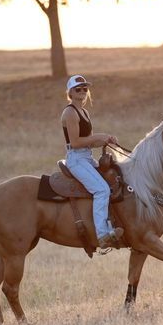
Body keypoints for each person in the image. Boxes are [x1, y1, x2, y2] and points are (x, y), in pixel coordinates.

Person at [61, 75, 124, 248]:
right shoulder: (70, 112)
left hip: (87, 157)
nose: (82, 91)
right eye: (78, 89)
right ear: (70, 93)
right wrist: (98, 137)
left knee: (113, 180)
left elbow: (88, 141)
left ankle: (112, 224)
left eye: (85, 89)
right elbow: (75, 142)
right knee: (101, 190)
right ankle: (102, 235)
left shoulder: (84, 112)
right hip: (76, 159)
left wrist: (106, 140)